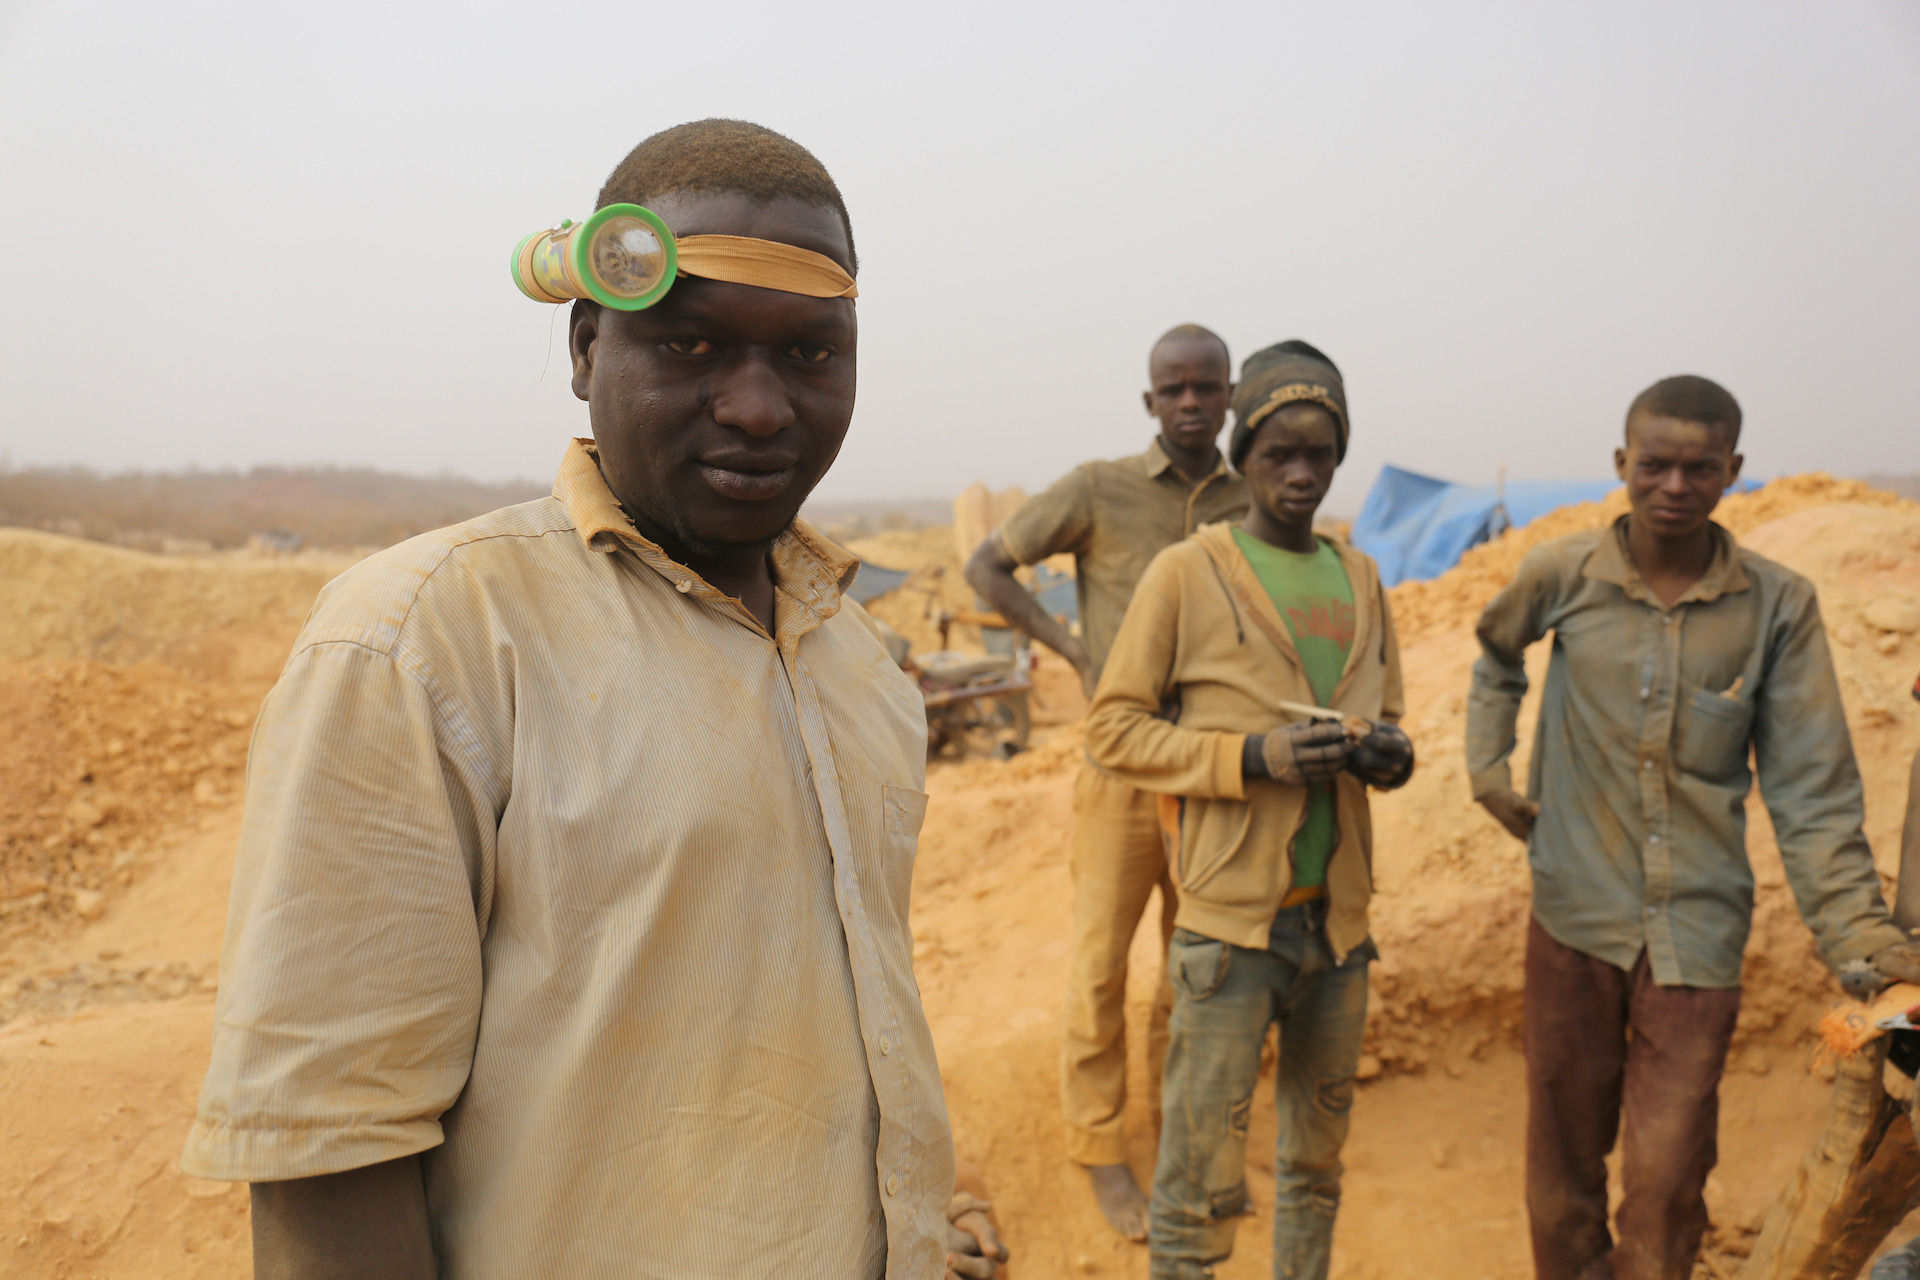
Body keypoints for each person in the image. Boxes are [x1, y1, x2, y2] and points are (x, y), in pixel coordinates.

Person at [180, 119, 1004, 1280]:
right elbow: (333, 1151)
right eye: (693, 344)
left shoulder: (858, 661)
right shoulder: (426, 639)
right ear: (584, 347)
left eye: (812, 354)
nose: (760, 406)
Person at [1467, 375, 1920, 1280]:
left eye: (1699, 468)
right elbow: (1494, 652)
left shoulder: (1777, 607)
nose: (1674, 486)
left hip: (1699, 937)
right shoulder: (1562, 575)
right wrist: (1489, 773)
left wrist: (1869, 949)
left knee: (1669, 1178)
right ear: (1621, 465)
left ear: (1733, 471)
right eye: (1655, 465)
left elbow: (1813, 794)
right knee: (1561, 1174)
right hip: (1573, 920)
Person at [1084, 341, 1413, 1280]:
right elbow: (1114, 731)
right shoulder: (1190, 573)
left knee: (1315, 1170)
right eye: (1279, 455)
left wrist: (1387, 753)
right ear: (1244, 454)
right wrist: (1249, 758)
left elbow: (1387, 716)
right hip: (1229, 934)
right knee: (1195, 1188)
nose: (1301, 474)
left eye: (1321, 454)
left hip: (1337, 932)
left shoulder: (1361, 578)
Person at [965, 325, 1249, 1239]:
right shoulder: (1100, 488)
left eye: (1208, 387)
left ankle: (1180, 1136)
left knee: (1192, 970)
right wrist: (1074, 651)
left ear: (1231, 395)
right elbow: (987, 565)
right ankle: (1097, 1148)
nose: (1192, 404)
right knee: (1098, 966)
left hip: (1216, 775)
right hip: (1122, 768)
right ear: (1151, 402)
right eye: (1175, 389)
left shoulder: (1256, 501)